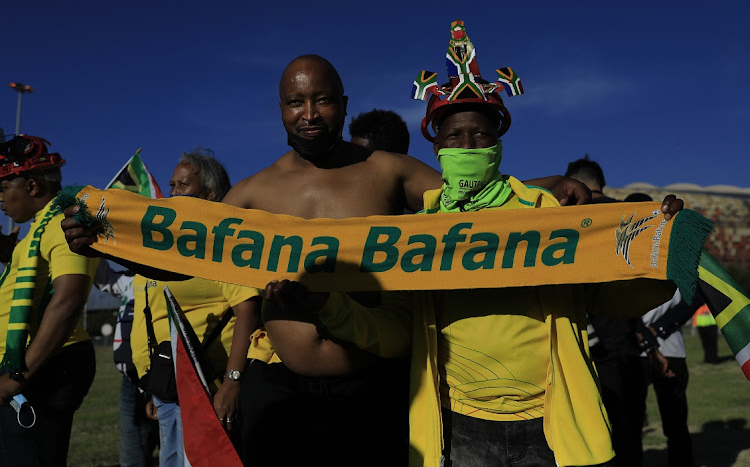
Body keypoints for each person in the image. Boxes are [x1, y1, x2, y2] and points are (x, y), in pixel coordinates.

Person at [62, 54, 594, 466]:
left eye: (322, 100)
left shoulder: (386, 171)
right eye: (296, 103)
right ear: (281, 109)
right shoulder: (253, 192)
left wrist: (552, 186)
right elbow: (187, 259)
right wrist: (106, 242)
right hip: (281, 391)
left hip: (376, 384)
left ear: (342, 103)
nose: (309, 114)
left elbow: (472, 201)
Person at [263, 24, 684, 467]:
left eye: (481, 136)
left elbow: (604, 293)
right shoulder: (422, 235)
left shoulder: (542, 214)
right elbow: (399, 330)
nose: (468, 146)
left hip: (549, 423)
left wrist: (661, 253)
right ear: (437, 146)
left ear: (498, 141)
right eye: (454, 137)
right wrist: (329, 309)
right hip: (460, 427)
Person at [131, 149, 262, 467]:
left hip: (210, 387)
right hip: (167, 387)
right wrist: (153, 388)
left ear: (212, 195)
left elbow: (248, 310)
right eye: (172, 185)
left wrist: (232, 382)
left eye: (183, 185)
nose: (173, 193)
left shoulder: (223, 245)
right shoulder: (159, 248)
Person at [0, 135, 99, 466]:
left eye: (3, 187)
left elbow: (68, 300)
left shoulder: (63, 222)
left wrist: (19, 375)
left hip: (47, 365)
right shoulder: (37, 230)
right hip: (33, 364)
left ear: (31, 186)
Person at [566, 156, 647, 466]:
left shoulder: (565, 217)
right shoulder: (630, 214)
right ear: (602, 182)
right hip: (628, 337)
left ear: (573, 184)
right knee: (630, 430)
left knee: (590, 431)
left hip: (581, 338)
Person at [94, 260, 159, 467]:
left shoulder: (170, 278)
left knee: (173, 454)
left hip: (166, 380)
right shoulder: (130, 280)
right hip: (131, 381)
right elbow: (104, 279)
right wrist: (93, 246)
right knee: (131, 458)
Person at [638, 290, 696, 467]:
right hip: (639, 347)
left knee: (675, 419)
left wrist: (654, 330)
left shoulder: (681, 265)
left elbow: (694, 298)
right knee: (629, 419)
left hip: (666, 347)